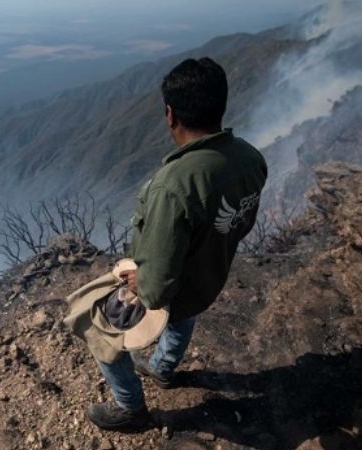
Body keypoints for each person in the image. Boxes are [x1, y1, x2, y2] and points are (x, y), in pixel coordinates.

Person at [86, 57, 268, 430]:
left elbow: (156, 290)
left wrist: (141, 279)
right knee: (185, 316)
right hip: (208, 276)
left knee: (97, 330)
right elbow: (241, 222)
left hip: (176, 285)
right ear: (221, 106)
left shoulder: (175, 186)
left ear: (170, 114)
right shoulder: (251, 158)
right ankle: (164, 369)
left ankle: (130, 408)